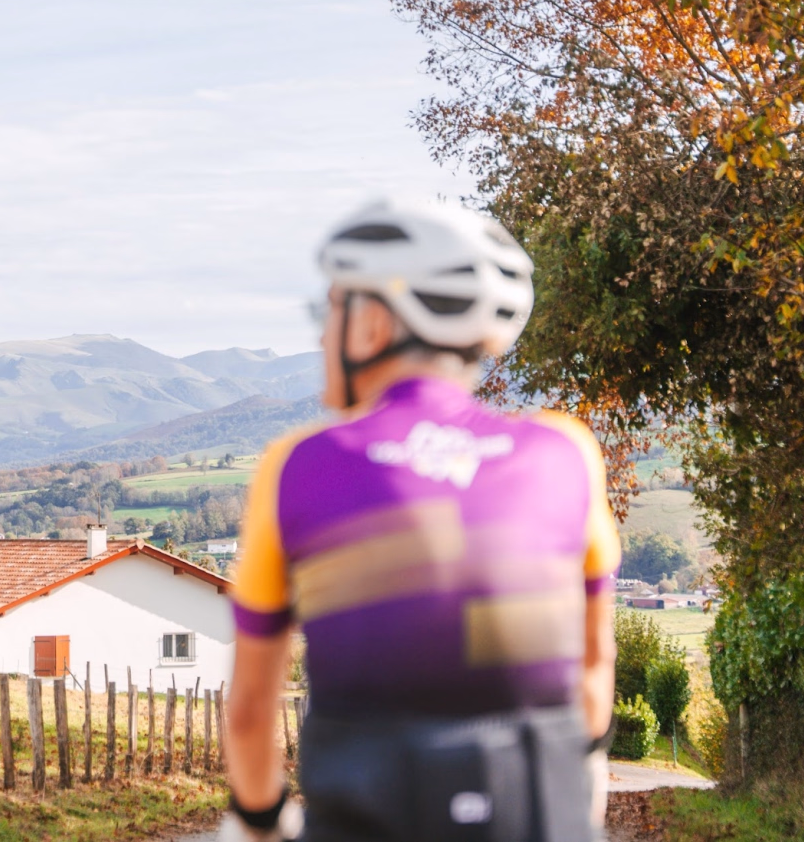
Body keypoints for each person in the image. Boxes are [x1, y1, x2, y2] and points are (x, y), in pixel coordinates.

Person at [223, 197, 620, 842]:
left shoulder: (298, 465)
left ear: (375, 322)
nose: (323, 334)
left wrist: (260, 822)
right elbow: (592, 672)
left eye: (331, 308)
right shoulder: (567, 453)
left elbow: (249, 713)